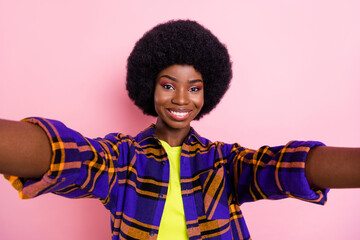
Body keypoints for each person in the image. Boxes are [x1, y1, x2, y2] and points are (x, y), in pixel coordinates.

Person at [0, 20, 359, 240]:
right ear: (149, 87)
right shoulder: (123, 158)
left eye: (195, 87)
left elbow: (281, 167)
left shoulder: (224, 161)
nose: (182, 99)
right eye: (169, 85)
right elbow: (71, 157)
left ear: (209, 90)